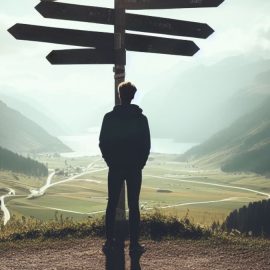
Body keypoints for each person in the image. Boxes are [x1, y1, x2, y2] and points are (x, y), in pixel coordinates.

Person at [99, 81, 151, 254]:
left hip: (115, 167)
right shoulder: (141, 119)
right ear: (133, 95)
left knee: (112, 203)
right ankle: (134, 244)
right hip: (134, 168)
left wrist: (110, 161)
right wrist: (140, 164)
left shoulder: (109, 117)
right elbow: (146, 145)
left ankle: (109, 241)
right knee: (134, 204)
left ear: (120, 95)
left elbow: (103, 143)